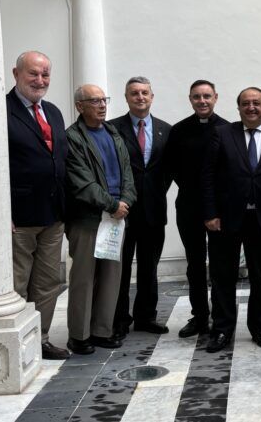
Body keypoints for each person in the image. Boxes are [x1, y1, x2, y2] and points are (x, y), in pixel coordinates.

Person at [202, 87, 261, 352]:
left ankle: (260, 328)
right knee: (222, 277)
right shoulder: (221, 134)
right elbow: (207, 177)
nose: (251, 107)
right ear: (238, 107)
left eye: (256, 103)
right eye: (245, 103)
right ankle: (221, 330)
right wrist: (210, 214)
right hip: (225, 220)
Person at [6, 51, 70, 360]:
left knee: (48, 282)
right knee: (18, 284)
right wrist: (2, 212)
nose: (40, 80)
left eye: (45, 74)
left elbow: (60, 159)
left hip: (53, 215)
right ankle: (16, 345)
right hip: (18, 216)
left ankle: (40, 338)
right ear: (16, 73)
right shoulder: (1, 110)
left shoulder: (54, 112)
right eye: (33, 73)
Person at [64, 84, 136, 355]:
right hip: (88, 218)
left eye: (104, 99)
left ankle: (101, 331)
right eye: (94, 101)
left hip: (116, 216)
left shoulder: (113, 133)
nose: (102, 105)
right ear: (80, 106)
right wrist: (112, 204)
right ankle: (79, 335)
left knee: (111, 276)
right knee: (84, 277)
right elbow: (81, 183)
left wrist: (126, 201)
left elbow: (127, 172)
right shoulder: (72, 137)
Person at [165, 80, 228, 338]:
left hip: (220, 208)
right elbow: (172, 166)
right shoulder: (179, 130)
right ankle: (199, 316)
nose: (202, 101)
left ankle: (222, 318)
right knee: (195, 264)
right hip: (189, 206)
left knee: (221, 265)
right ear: (190, 99)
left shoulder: (227, 129)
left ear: (215, 98)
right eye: (196, 97)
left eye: (206, 96)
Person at [109, 76, 171, 338]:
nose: (140, 97)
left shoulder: (166, 130)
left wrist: (156, 193)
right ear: (126, 98)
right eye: (134, 93)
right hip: (122, 211)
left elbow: (168, 170)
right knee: (120, 269)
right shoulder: (112, 129)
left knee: (149, 267)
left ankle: (146, 317)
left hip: (154, 210)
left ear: (152, 96)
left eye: (145, 92)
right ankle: (119, 319)